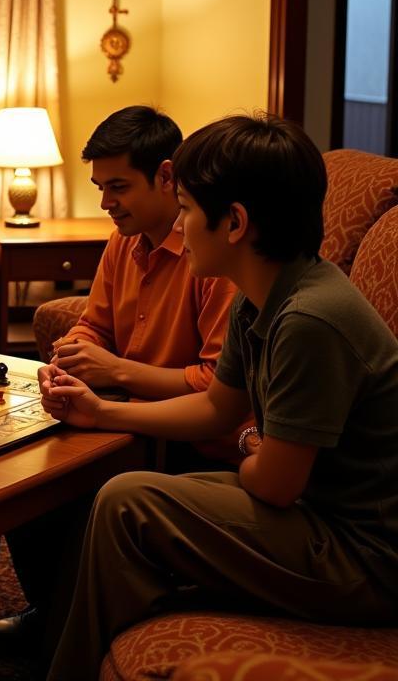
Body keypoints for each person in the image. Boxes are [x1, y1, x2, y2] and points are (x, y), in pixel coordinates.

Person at [43, 114, 398, 681]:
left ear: (234, 223)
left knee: (128, 502)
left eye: (185, 209)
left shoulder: (312, 317)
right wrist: (101, 411)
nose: (179, 225)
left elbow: (276, 482)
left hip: (362, 556)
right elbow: (216, 409)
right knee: (118, 493)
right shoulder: (260, 297)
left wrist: (252, 442)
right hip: (313, 513)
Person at [0, 106, 239, 650]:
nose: (106, 203)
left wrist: (115, 370)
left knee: (63, 488)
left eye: (118, 186)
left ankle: (77, 625)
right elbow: (93, 324)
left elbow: (218, 388)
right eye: (101, 187)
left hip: (187, 440)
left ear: (168, 177)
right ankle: (50, 609)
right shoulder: (123, 240)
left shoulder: (214, 257)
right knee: (16, 467)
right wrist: (73, 353)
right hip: (125, 411)